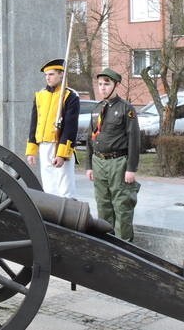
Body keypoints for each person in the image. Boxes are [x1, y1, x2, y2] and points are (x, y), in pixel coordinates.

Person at [85, 68, 141, 241]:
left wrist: (131, 168)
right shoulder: (97, 108)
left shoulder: (126, 109)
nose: (102, 88)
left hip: (118, 162)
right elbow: (89, 139)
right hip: (99, 162)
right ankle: (107, 244)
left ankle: (125, 245)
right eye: (100, 84)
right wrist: (88, 165)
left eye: (106, 84)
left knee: (122, 205)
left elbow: (134, 139)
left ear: (115, 85)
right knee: (103, 205)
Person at [25, 59, 79, 197]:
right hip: (44, 145)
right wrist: (32, 150)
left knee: (65, 187)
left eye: (51, 74)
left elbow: (70, 127)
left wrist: (61, 154)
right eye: (46, 75)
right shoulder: (40, 95)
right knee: (49, 187)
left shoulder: (70, 95)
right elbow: (34, 123)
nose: (47, 77)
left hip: (60, 145)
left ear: (61, 74)